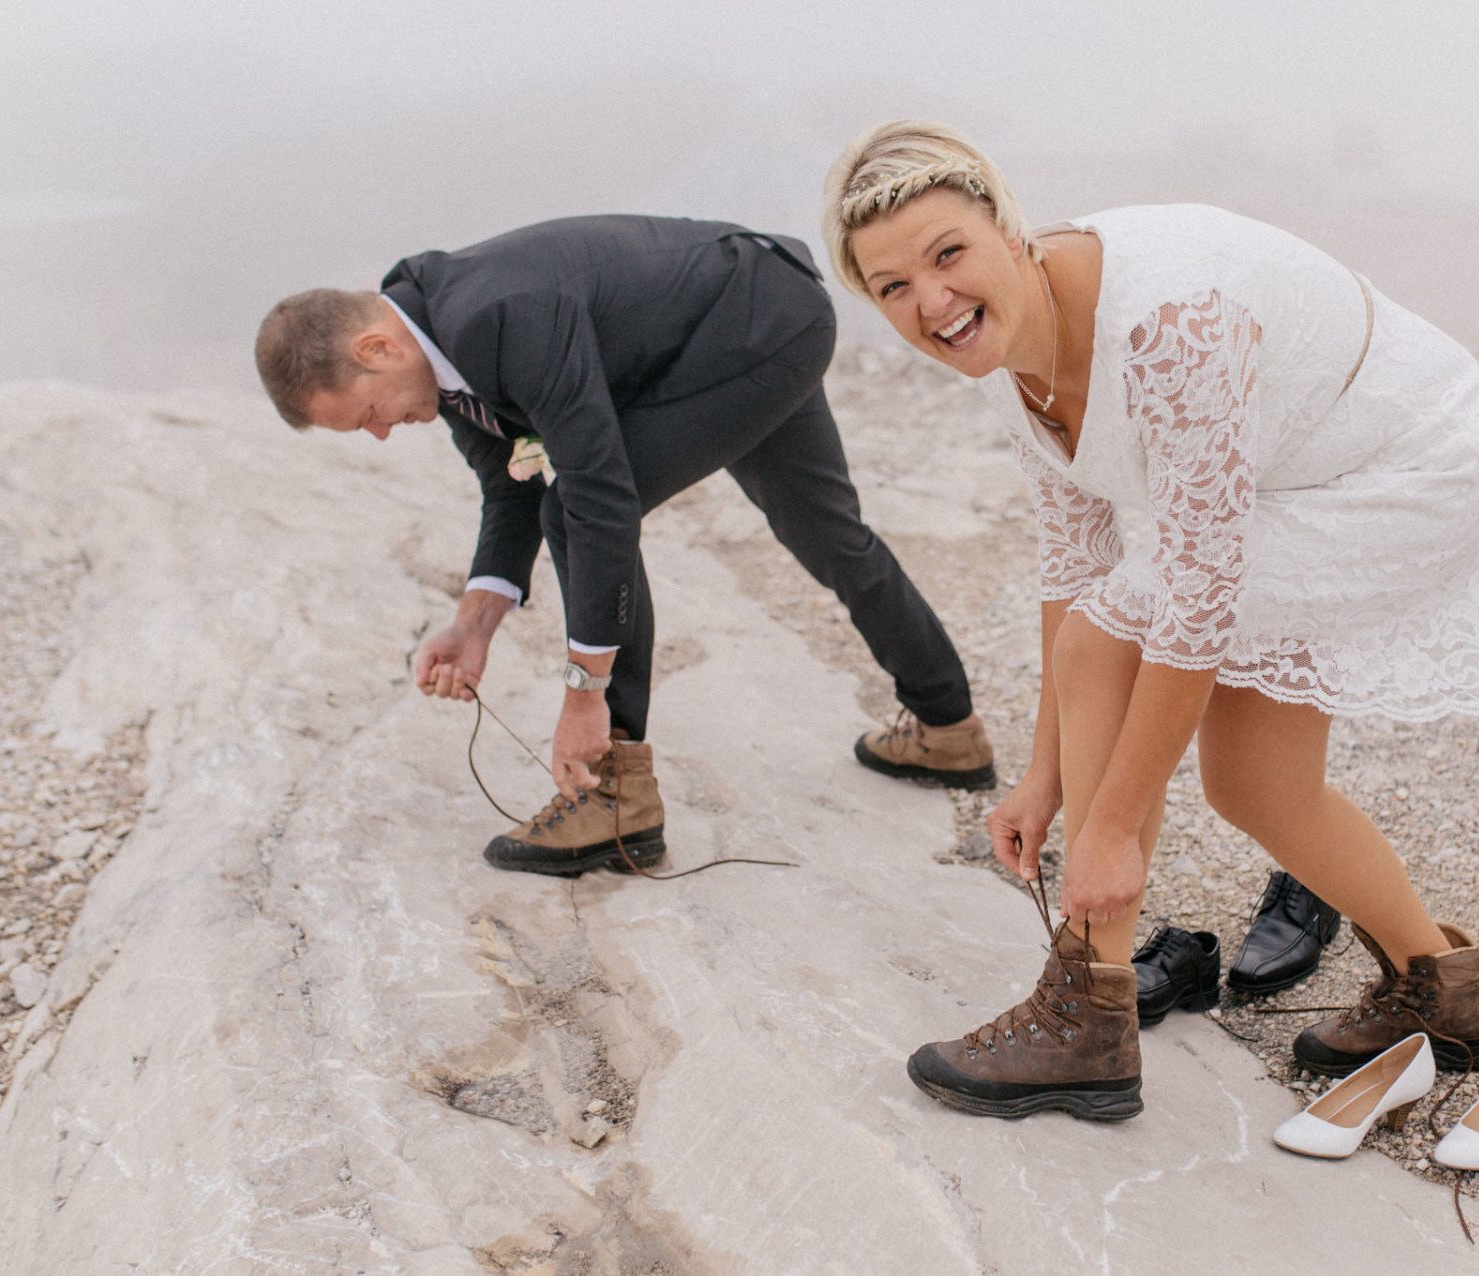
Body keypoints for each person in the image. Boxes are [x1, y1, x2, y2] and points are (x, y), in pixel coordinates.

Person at [824, 122, 1479, 1120]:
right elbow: (1078, 564)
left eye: (947, 255)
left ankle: (1088, 1017)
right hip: (1306, 467)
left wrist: (1106, 832)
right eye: (891, 287)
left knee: (1118, 631)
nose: (931, 302)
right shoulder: (1022, 350)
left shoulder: (1168, 324)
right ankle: (1442, 989)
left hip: (1410, 461)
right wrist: (1044, 776)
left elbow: (1187, 602)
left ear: (1008, 230)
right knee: (1255, 783)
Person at [253, 215, 996, 877]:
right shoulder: (437, 341)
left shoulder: (493, 318)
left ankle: (618, 795)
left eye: (368, 416)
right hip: (748, 313)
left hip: (760, 320)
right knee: (825, 531)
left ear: (376, 348)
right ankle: (950, 727)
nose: (382, 433)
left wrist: (586, 692)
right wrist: (473, 626)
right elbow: (509, 489)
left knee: (580, 507)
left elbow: (600, 494)